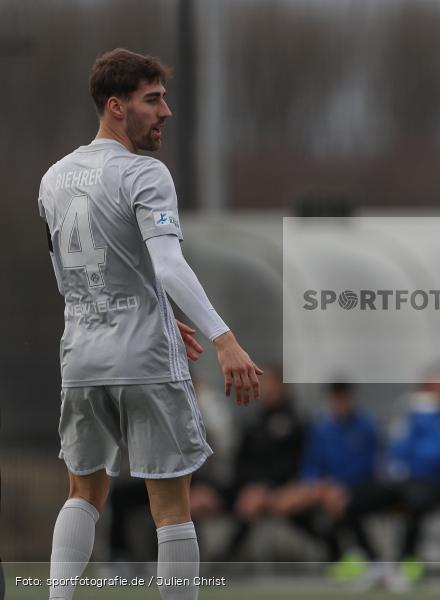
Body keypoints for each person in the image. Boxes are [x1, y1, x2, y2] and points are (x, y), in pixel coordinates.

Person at [38, 48, 261, 600]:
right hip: (143, 359)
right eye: (153, 100)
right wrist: (224, 338)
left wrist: (159, 312)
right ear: (117, 107)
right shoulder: (145, 173)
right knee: (171, 508)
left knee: (83, 492)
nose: (166, 112)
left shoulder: (53, 178)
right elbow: (167, 264)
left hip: (82, 359)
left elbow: (74, 277)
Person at [340, 365, 440, 589]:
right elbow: (401, 448)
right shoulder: (419, 414)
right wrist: (414, 460)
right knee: (353, 503)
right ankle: (375, 563)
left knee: (415, 504)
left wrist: (419, 456)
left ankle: (406, 563)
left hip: (438, 483)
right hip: (408, 480)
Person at [190, 367, 306, 560]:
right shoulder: (252, 423)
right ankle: (191, 558)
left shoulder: (296, 424)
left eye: (272, 384)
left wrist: (266, 490)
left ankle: (225, 559)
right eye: (265, 384)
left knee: (252, 506)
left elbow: (293, 465)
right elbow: (239, 464)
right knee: (196, 499)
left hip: (279, 490)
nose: (268, 390)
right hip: (245, 488)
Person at [267, 381, 380, 566]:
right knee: (286, 504)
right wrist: (315, 485)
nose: (340, 403)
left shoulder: (366, 427)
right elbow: (311, 463)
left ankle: (367, 558)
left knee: (341, 505)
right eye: (336, 398)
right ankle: (332, 547)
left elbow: (366, 467)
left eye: (343, 398)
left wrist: (337, 486)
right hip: (323, 487)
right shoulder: (322, 428)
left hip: (355, 487)